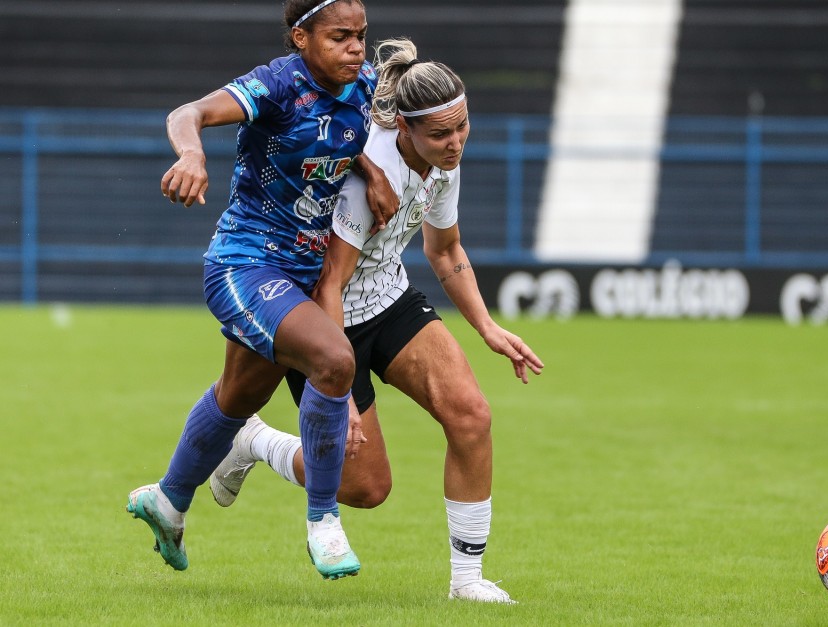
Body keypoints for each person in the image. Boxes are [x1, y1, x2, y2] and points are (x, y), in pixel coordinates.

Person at [208, 38, 544, 603]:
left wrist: (488, 329)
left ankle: (467, 582)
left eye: (462, 127)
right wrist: (333, 388)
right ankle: (254, 442)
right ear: (403, 131)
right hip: (325, 316)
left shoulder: (444, 161)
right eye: (440, 134)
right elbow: (330, 282)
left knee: (471, 416)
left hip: (389, 299)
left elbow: (446, 250)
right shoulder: (371, 173)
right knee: (365, 488)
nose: (456, 142)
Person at [125, 0, 398, 581]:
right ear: (301, 37)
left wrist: (371, 172)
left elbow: (349, 148)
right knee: (332, 359)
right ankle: (322, 522)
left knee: (237, 396)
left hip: (301, 273)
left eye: (362, 36)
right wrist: (192, 154)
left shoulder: (367, 86)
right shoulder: (277, 85)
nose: (356, 47)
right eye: (340, 36)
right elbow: (188, 111)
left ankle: (168, 501)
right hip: (246, 265)